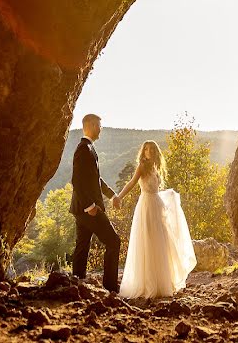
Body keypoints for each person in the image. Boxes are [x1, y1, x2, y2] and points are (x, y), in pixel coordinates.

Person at [112, 140, 197, 298]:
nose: (149, 151)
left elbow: (155, 189)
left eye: (152, 149)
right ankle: (147, 284)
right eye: (146, 149)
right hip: (146, 207)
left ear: (156, 152)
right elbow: (131, 183)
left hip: (157, 206)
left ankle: (162, 282)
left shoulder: (156, 168)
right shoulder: (142, 167)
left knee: (161, 242)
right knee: (148, 241)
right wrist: (119, 197)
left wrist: (168, 195)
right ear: (143, 152)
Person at [68, 113, 121, 292]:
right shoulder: (83, 149)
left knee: (82, 245)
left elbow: (95, 179)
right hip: (88, 209)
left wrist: (112, 195)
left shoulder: (88, 148)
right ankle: (111, 287)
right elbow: (77, 180)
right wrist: (90, 206)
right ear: (90, 125)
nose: (101, 129)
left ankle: (76, 283)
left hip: (81, 209)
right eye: (99, 125)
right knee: (114, 241)